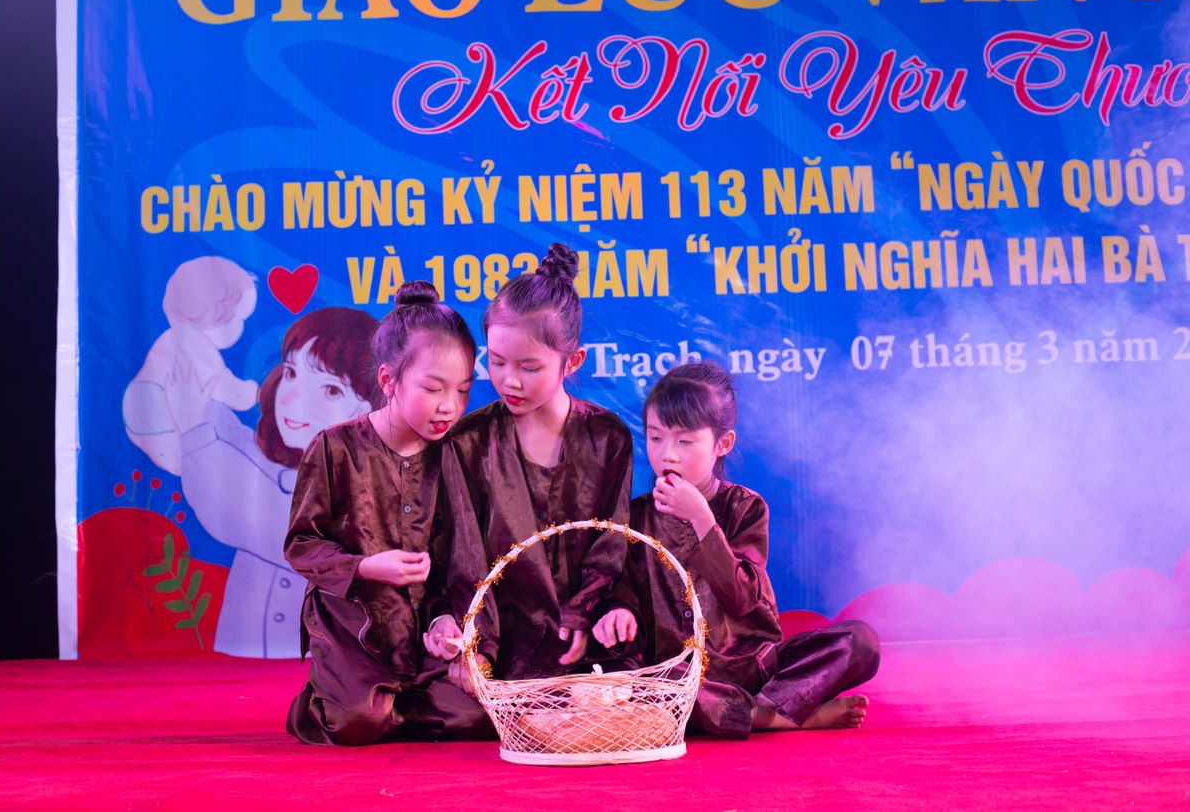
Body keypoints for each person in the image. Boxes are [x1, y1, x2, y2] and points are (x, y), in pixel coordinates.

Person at [592, 361, 880, 738]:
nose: (667, 455)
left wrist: (701, 518)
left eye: (684, 441)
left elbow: (742, 598)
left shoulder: (746, 508)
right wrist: (620, 611)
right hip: (683, 675)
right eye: (656, 437)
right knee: (634, 677)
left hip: (756, 670)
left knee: (860, 641)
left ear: (723, 444)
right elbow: (626, 587)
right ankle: (778, 717)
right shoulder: (638, 514)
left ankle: (755, 708)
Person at [284, 281, 492, 745]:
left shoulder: (452, 456)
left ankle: (396, 700)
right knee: (357, 721)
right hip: (354, 626)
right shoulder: (334, 448)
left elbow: (451, 561)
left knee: (479, 715)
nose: (450, 407)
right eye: (433, 388)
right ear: (388, 381)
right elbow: (301, 545)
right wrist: (365, 566)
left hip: (419, 633)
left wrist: (442, 621)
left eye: (462, 390)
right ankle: (336, 698)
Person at [433, 242, 633, 687]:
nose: (509, 380)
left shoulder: (609, 438)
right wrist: (477, 646)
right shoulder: (468, 442)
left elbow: (612, 544)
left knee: (625, 699)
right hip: (501, 640)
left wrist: (583, 616)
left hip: (588, 636)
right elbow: (466, 557)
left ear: (572, 361)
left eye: (529, 367)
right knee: (450, 708)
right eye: (496, 361)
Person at [167, 306, 380, 658]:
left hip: (323, 663)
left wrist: (196, 433)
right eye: (292, 373)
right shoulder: (280, 459)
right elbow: (239, 450)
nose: (292, 398)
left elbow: (259, 527)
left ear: (367, 408)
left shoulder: (365, 483)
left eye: (330, 390)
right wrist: (204, 408)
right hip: (242, 654)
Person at [123, 256, 260, 475]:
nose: (241, 328)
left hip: (141, 418)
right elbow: (230, 392)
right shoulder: (199, 349)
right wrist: (256, 392)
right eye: (240, 319)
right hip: (166, 431)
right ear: (218, 316)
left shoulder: (169, 339)